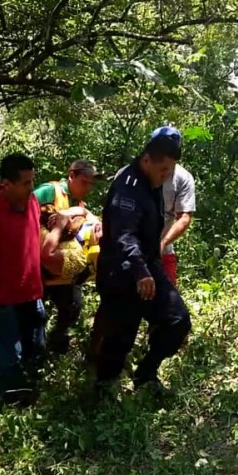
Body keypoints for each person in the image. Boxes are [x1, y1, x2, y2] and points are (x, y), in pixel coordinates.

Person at [94, 135, 192, 400]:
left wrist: (149, 268)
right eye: (162, 170)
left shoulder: (153, 181)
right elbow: (124, 235)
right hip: (122, 272)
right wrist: (140, 270)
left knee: (177, 320)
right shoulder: (128, 185)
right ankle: (103, 393)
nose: (165, 176)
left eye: (169, 171)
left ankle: (146, 373)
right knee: (120, 338)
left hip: (149, 265)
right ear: (146, 159)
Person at [0, 154, 45, 405]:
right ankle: (10, 403)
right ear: (6, 184)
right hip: (3, 299)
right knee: (12, 355)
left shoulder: (33, 201)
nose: (31, 188)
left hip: (31, 291)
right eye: (25, 183)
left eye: (32, 181)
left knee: (35, 346)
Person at [33, 160, 97, 352]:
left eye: (91, 184)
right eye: (84, 182)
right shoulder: (49, 191)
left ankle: (56, 350)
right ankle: (32, 357)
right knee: (34, 318)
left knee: (72, 308)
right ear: (71, 175)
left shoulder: (78, 203)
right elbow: (21, 214)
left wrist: (78, 212)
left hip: (63, 273)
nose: (88, 188)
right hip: (37, 269)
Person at [151, 126, 197, 285]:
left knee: (169, 305)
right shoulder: (130, 174)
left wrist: (162, 244)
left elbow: (184, 217)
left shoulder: (183, 178)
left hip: (163, 253)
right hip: (131, 251)